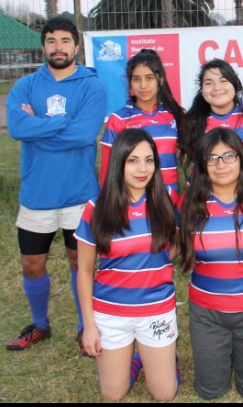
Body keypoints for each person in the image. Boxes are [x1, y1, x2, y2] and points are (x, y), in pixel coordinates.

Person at [5, 16, 107, 353]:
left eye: (65, 40)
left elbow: (84, 134)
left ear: (76, 46)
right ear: (44, 46)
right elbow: (18, 129)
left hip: (79, 194)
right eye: (51, 41)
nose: (58, 47)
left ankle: (84, 327)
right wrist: (61, 123)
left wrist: (41, 124)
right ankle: (40, 325)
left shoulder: (91, 86)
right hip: (37, 194)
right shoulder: (25, 86)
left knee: (81, 263)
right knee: (32, 264)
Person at [74, 128, 180, 401]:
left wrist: (155, 263)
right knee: (113, 394)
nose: (142, 169)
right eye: (132, 160)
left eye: (148, 160)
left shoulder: (164, 199)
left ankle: (162, 359)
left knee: (164, 394)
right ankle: (139, 360)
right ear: (118, 161)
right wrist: (89, 325)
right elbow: (85, 271)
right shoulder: (96, 206)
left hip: (156, 309)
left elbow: (179, 243)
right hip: (111, 313)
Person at [178, 128, 243, 399]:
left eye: (228, 155)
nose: (221, 164)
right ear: (202, 164)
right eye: (212, 158)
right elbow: (174, 248)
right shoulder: (190, 203)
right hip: (207, 314)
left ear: (242, 159)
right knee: (210, 391)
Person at [100, 49, 185, 192]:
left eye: (149, 78)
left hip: (170, 199)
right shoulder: (118, 119)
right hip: (132, 200)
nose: (143, 85)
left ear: (161, 79)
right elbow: (107, 171)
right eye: (136, 79)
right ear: (130, 82)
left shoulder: (175, 116)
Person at [179, 59, 243, 179]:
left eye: (223, 81)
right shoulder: (192, 121)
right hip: (204, 192)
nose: (217, 87)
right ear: (202, 89)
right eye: (208, 83)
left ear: (235, 84)